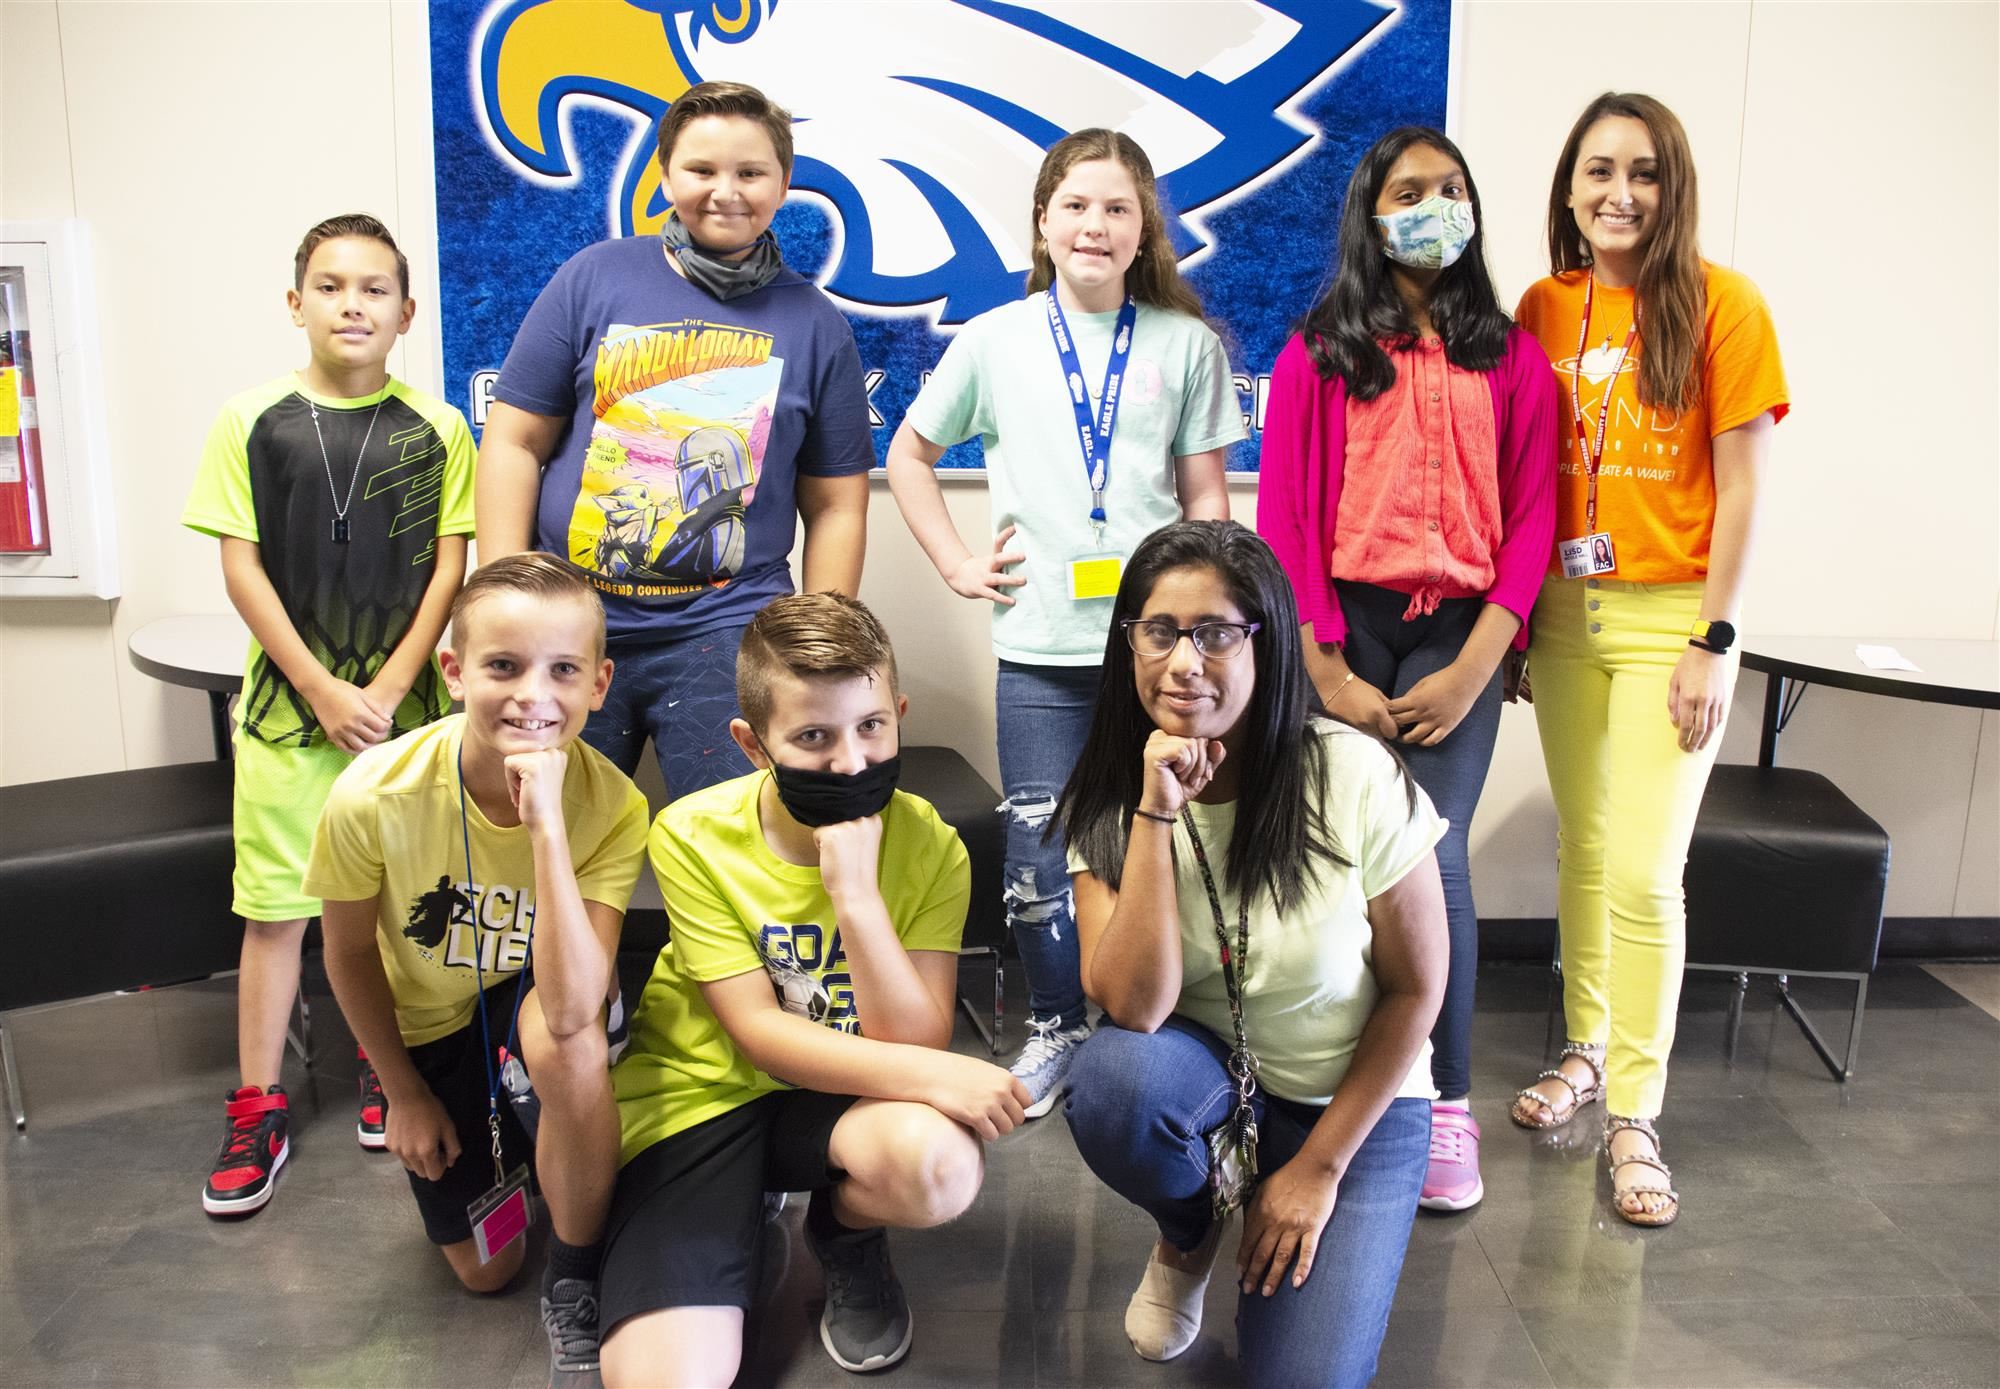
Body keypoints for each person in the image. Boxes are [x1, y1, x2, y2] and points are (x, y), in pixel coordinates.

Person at [886, 128, 1243, 1115]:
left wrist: (1208, 630)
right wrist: (957, 561)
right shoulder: (994, 340)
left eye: (1116, 208)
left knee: (1148, 834)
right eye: (1075, 205)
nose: (1094, 224)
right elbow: (909, 454)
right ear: (1041, 222)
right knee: (1041, 849)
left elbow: (1204, 498)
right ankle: (1055, 1024)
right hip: (1039, 649)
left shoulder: (1184, 345)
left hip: (1153, 655)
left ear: (1141, 233)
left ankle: (1150, 1017)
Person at [598, 593, 1030, 1386]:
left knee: (940, 1164)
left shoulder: (933, 845)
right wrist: (945, 1075)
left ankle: (843, 1230)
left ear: (898, 713)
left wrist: (858, 900)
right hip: (702, 1095)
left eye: (871, 726)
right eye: (812, 737)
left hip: (837, 1100)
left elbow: (915, 1037)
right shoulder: (691, 835)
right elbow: (758, 1034)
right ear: (753, 744)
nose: (851, 762)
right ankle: (731, 1223)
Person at [1058, 521, 1448, 1388]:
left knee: (1302, 1378)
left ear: (1265, 644)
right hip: (1205, 1078)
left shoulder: (1350, 773)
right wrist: (1155, 815)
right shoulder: (1111, 794)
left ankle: (1284, 1183)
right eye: (1159, 631)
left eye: (1217, 632)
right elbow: (1133, 1007)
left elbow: (1418, 990)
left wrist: (1316, 1167)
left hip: (1348, 1100)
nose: (1184, 660)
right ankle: (1191, 1232)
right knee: (1115, 1084)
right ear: (1130, 645)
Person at [1256, 127, 1557, 1214]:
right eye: (1408, 191)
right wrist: (1325, 672)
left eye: (1451, 189)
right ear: (1370, 214)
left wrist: (1480, 663)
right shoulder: (1318, 352)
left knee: (1434, 863)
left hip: (1459, 639)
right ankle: (1329, 1073)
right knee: (1336, 855)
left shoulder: (1512, 356)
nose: (1434, 205)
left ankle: (1440, 1101)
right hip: (1343, 632)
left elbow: (1532, 521)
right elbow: (1283, 516)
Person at [1509, 93, 1787, 1228]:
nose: (1617, 194)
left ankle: (1633, 1108)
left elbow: (1745, 485)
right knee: (1581, 845)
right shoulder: (1541, 304)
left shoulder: (1722, 303)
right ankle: (1582, 1042)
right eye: (1596, 173)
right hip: (1564, 612)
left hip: (1670, 614)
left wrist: (1713, 641)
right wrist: (1522, 615)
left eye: (1641, 173)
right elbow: (1526, 471)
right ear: (1567, 188)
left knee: (1640, 872)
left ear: (1672, 186)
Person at [181, 212, 473, 1216]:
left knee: (399, 901)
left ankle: (386, 1072)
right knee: (275, 914)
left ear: (406, 312)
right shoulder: (248, 420)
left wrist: (389, 690)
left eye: (375, 288)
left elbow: (449, 567)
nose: (353, 303)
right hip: (285, 719)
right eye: (332, 284)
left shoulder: (438, 429)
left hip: (407, 716)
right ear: (296, 301)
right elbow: (240, 564)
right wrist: (317, 685)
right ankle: (258, 1103)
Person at [303, 554, 649, 1384]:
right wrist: (404, 1092)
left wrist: (547, 831)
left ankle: (574, 1260)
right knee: (487, 1272)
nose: (535, 694)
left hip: (546, 989)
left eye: (564, 669)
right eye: (504, 665)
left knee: (566, 1046)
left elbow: (570, 1007)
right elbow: (347, 954)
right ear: (455, 672)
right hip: (432, 1018)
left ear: (599, 684)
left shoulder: (613, 806)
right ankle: (540, 1137)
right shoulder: (370, 795)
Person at [476, 79, 873, 798]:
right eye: (702, 170)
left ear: (783, 184)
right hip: (570, 621)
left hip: (725, 626)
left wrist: (821, 649)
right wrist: (503, 603)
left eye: (751, 172)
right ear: (666, 177)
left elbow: (838, 504)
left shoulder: (816, 324)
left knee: (740, 837)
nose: (727, 190)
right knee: (539, 832)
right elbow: (514, 441)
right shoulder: (593, 278)